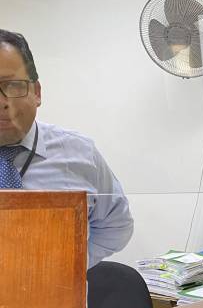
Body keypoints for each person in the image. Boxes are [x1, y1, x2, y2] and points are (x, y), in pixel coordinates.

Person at [0, 30, 133, 268]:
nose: (2, 101)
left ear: (37, 92)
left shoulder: (78, 153)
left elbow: (117, 225)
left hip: (57, 301)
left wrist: (68, 263)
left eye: (11, 85)